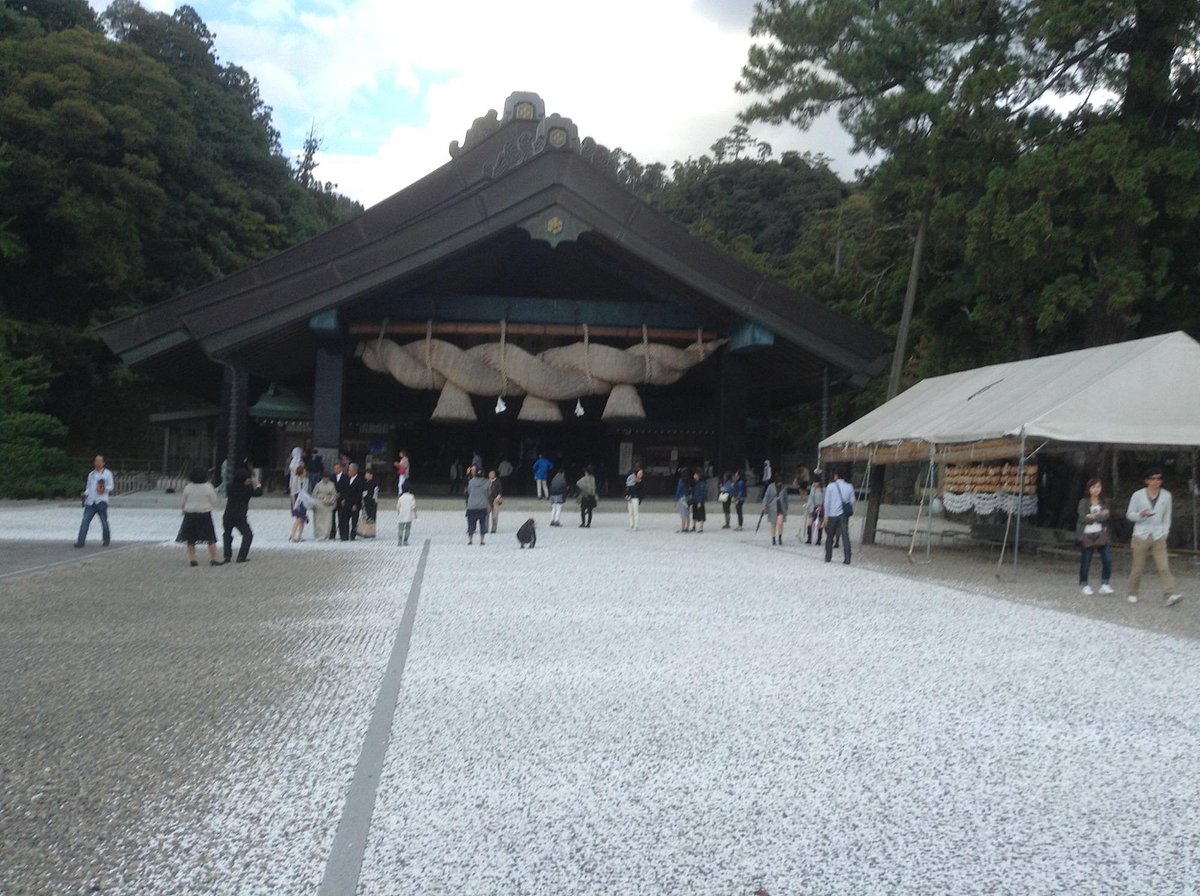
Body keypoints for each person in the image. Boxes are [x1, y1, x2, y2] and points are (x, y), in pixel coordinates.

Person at [1125, 469, 1182, 606]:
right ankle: (1133, 592)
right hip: (1141, 534)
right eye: (1153, 478)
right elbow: (1129, 514)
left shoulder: (1166, 495)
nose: (1156, 481)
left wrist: (1165, 533)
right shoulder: (1137, 495)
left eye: (1159, 478)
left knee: (1163, 566)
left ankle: (1169, 593)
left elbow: (1167, 516)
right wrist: (1141, 515)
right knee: (1137, 567)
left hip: (1158, 535)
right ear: (1147, 480)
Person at [176, 466, 221, 566]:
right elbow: (214, 500)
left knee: (190, 539)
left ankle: (193, 559)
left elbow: (183, 501)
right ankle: (213, 559)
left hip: (190, 514)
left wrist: (183, 510)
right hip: (205, 514)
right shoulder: (208, 487)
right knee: (210, 538)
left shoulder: (188, 487)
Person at [1077, 478, 1113, 596]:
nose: (1096, 490)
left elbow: (1106, 517)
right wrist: (1098, 516)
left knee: (1107, 559)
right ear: (1089, 489)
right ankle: (1084, 584)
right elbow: (1082, 518)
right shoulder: (1083, 502)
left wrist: (1093, 516)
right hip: (1087, 533)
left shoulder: (1104, 502)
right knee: (1086, 560)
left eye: (1098, 487)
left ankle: (1105, 583)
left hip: (1101, 533)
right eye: (1093, 487)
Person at [222, 463, 262, 563]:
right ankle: (241, 556)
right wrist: (257, 484)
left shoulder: (230, 487)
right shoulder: (247, 489)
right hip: (240, 516)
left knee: (227, 534)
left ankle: (227, 555)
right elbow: (258, 493)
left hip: (228, 515)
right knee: (248, 535)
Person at [75, 454, 114, 548]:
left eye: (100, 461)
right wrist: (85, 493)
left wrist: (104, 489)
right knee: (85, 521)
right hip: (90, 502)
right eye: (96, 461)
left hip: (101, 501)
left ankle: (106, 539)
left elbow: (111, 487)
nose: (97, 463)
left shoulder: (107, 473)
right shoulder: (91, 474)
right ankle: (80, 541)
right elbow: (89, 487)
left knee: (104, 522)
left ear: (103, 463)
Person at [823, 468, 855, 564]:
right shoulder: (849, 487)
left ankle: (828, 556)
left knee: (830, 536)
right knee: (845, 536)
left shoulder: (830, 486)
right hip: (843, 515)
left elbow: (827, 502)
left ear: (836, 476)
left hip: (832, 514)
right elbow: (852, 501)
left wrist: (826, 515)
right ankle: (847, 558)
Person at [465, 466, 490, 544]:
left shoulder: (471, 481)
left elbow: (468, 491)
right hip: (482, 505)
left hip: (471, 505)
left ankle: (470, 540)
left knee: (470, 523)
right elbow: (489, 493)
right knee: (482, 523)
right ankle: (482, 540)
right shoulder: (487, 482)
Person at [337, 462, 363, 540]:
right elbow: (344, 490)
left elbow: (359, 493)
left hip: (354, 503)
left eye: (350, 471)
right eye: (348, 470)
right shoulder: (347, 479)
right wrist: (343, 499)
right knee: (344, 520)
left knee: (354, 521)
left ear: (354, 471)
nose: (348, 472)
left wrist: (356, 504)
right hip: (346, 502)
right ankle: (344, 535)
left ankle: (353, 535)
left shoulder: (360, 480)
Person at [289, 464, 315, 542]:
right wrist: (294, 503)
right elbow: (293, 492)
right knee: (298, 518)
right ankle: (293, 535)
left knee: (303, 519)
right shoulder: (295, 479)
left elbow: (306, 491)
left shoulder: (306, 480)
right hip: (297, 498)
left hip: (304, 498)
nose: (305, 472)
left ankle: (300, 535)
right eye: (304, 471)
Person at [762, 473, 788, 545]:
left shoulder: (784, 488)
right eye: (778, 482)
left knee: (780, 523)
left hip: (781, 508)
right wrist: (764, 505)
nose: (780, 483)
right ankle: (773, 538)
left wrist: (786, 508)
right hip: (772, 508)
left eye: (781, 482)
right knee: (773, 523)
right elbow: (766, 497)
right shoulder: (770, 487)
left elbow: (786, 499)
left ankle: (779, 537)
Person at [311, 472, 338, 541]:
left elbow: (334, 494)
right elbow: (314, 495)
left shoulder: (332, 484)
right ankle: (319, 534)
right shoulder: (318, 485)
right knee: (319, 521)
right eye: (324, 478)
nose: (326, 479)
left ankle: (326, 534)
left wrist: (331, 500)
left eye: (327, 478)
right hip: (320, 504)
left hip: (328, 505)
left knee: (328, 521)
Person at [358, 469, 379, 538]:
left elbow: (374, 494)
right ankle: (364, 531)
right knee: (365, 517)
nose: (366, 475)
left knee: (370, 517)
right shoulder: (366, 482)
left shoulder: (373, 484)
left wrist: (370, 499)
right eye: (366, 474)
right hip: (365, 502)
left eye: (367, 474)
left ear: (371, 475)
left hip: (371, 502)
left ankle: (370, 533)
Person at [396, 482, 417, 546]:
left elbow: (398, 506)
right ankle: (405, 540)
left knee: (400, 528)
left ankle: (400, 540)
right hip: (408, 516)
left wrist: (398, 512)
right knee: (407, 529)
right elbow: (413, 506)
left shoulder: (401, 497)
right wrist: (415, 514)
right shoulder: (411, 497)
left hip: (401, 516)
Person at [805, 478, 825, 545]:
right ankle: (809, 539)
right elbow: (810, 498)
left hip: (820, 508)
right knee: (809, 522)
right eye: (814, 482)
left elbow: (825, 500)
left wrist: (820, 507)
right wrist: (807, 506)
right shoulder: (812, 489)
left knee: (819, 524)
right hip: (813, 507)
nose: (815, 484)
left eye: (816, 482)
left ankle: (819, 540)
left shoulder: (823, 490)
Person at [625, 466, 644, 530]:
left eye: (641, 473)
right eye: (639, 473)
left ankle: (636, 525)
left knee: (635, 512)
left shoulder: (641, 482)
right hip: (630, 498)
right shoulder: (631, 479)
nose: (640, 474)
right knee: (630, 512)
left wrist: (640, 499)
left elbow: (641, 492)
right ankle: (631, 524)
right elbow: (627, 488)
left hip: (636, 498)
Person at [674, 469, 692, 533]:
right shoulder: (689, 481)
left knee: (683, 514)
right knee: (687, 514)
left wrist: (675, 500)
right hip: (687, 499)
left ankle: (683, 527)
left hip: (681, 499)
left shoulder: (681, 481)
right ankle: (687, 527)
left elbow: (678, 491)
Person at [487, 469, 503, 534]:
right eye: (490, 474)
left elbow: (500, 491)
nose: (491, 475)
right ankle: (485, 528)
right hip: (488, 500)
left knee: (495, 516)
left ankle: (494, 528)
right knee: (486, 515)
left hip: (495, 500)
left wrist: (498, 497)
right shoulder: (487, 482)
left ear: (494, 475)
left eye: (492, 474)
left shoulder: (497, 482)